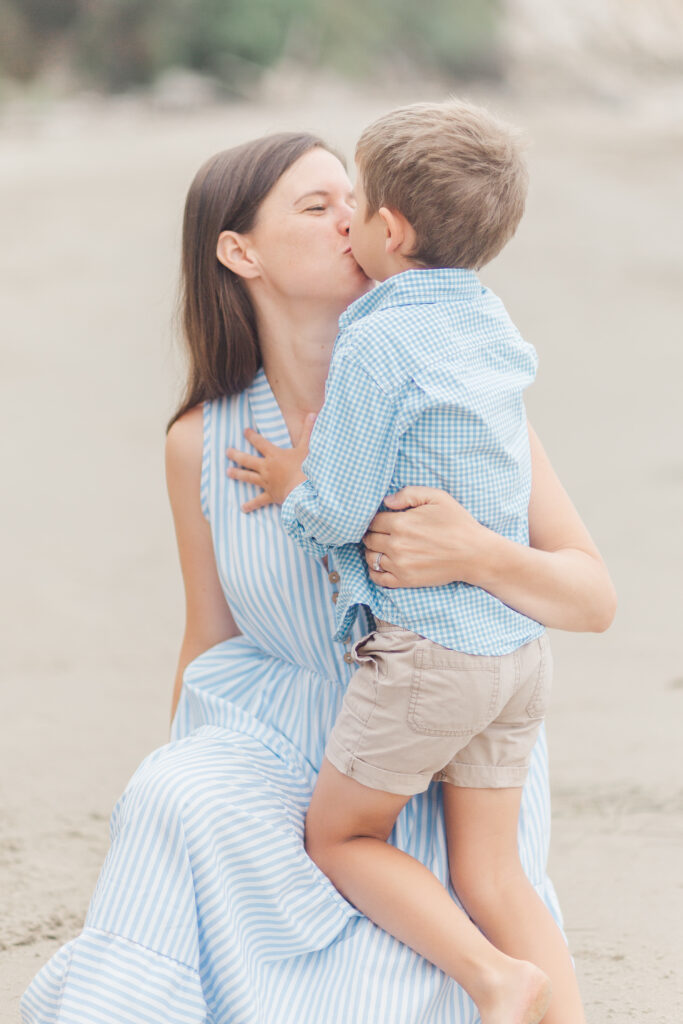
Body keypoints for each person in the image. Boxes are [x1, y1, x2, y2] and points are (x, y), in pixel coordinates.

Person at [21, 131, 616, 1024]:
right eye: (315, 206)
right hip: (273, 751)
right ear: (239, 252)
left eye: (352, 198)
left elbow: (590, 596)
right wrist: (174, 776)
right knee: (169, 791)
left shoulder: (449, 396)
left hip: (428, 749)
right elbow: (209, 639)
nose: (351, 219)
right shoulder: (203, 441)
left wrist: (476, 554)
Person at [232, 100, 593, 1024]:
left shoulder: (377, 337)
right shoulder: (486, 322)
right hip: (514, 654)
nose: (343, 219)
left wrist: (292, 487)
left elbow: (341, 508)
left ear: (387, 230)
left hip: (430, 654)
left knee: (341, 834)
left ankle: (491, 979)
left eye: (352, 205)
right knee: (494, 870)